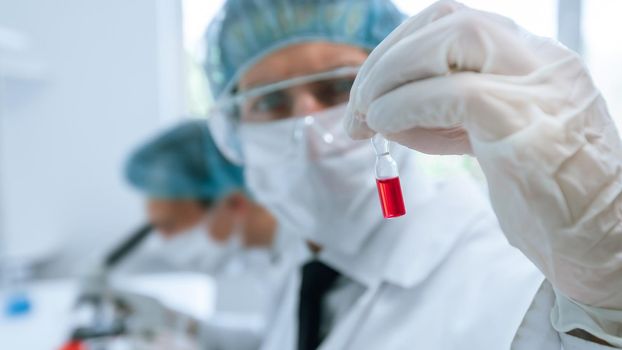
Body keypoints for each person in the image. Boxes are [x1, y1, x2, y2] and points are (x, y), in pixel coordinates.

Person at [203, 0, 622, 349]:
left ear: (403, 86)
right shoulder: (304, 264)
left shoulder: (515, 273)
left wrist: (608, 296)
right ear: (233, 126)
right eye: (269, 101)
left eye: (337, 88)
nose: (309, 131)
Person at [122, 120, 286, 274]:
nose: (163, 240)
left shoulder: (300, 265)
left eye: (168, 226)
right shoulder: (258, 266)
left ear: (235, 204)